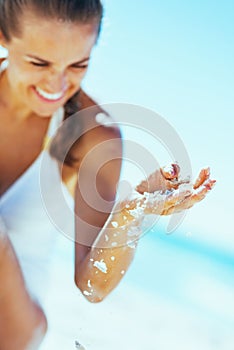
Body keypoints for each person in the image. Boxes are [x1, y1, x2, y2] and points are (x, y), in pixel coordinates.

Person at [0, 1, 215, 349]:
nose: (56, 84)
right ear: (3, 38)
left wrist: (129, 212)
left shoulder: (91, 137)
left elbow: (92, 287)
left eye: (78, 65)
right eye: (39, 62)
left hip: (12, 329)